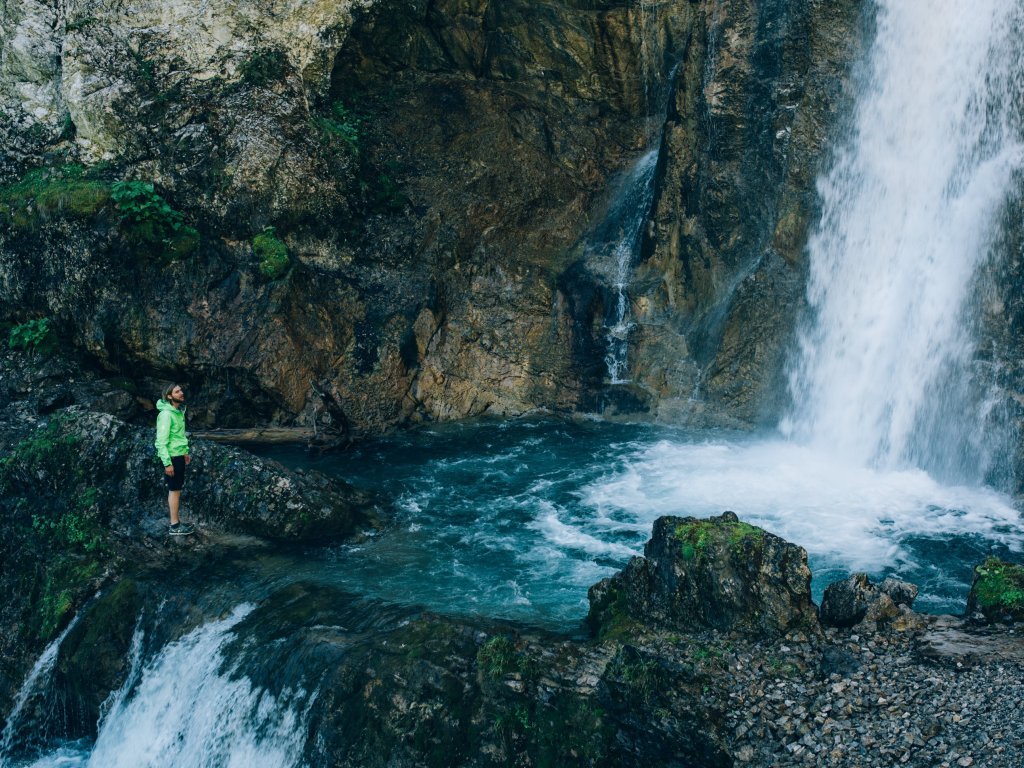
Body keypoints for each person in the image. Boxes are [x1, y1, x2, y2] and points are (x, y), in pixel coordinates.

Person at [155, 383, 195, 535]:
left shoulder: (177, 412)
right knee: (174, 490)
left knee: (176, 489)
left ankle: (176, 523)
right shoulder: (166, 415)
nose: (181, 393)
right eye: (177, 392)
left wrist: (184, 451)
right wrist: (167, 463)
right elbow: (161, 442)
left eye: (181, 390)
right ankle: (174, 526)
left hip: (178, 456)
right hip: (171, 458)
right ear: (169, 396)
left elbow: (177, 436)